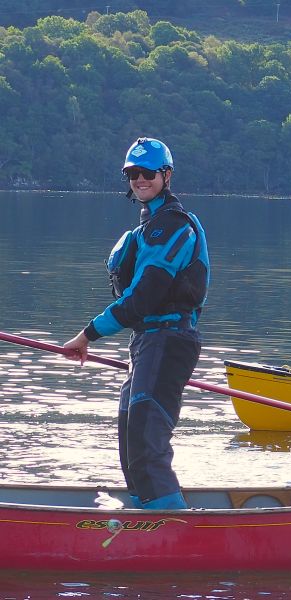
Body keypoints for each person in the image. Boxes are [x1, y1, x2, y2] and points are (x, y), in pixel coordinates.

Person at [63, 137, 210, 510]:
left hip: (170, 340)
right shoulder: (150, 226)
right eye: (133, 173)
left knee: (146, 439)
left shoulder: (173, 227)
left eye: (147, 172)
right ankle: (146, 514)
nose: (140, 179)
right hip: (147, 342)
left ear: (166, 175)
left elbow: (142, 298)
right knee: (130, 439)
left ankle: (173, 527)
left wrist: (87, 335)